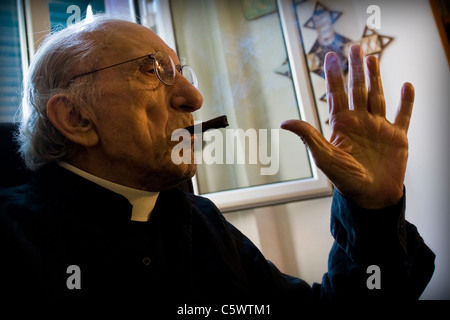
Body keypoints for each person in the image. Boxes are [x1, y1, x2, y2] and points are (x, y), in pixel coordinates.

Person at [0, 16, 435, 306]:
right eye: (152, 70)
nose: (193, 98)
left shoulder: (198, 220)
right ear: (76, 117)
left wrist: (373, 213)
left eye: (181, 70)